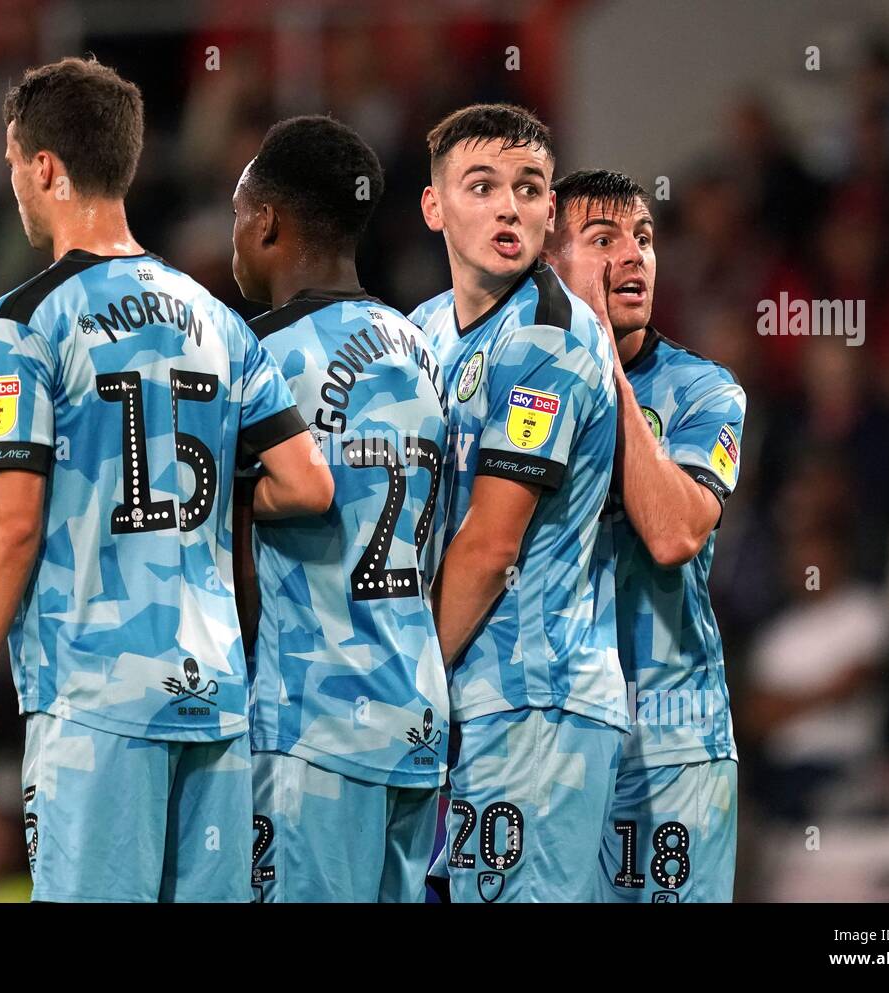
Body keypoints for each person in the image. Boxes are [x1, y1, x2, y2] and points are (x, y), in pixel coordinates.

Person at [0, 57, 332, 903]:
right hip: (217, 696)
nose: (12, 178)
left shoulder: (24, 319)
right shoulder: (221, 322)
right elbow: (308, 485)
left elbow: (11, 523)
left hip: (97, 698)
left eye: (14, 159)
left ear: (45, 166)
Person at [230, 115, 450, 902]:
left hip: (312, 726)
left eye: (237, 212)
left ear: (268, 222)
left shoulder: (256, 359)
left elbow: (233, 556)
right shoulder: (423, 348)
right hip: (416, 718)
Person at [408, 104, 624, 903]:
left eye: (529, 188)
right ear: (434, 207)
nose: (510, 205)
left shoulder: (551, 336)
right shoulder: (422, 330)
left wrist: (407, 674)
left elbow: (492, 544)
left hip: (536, 701)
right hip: (464, 701)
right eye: (483, 185)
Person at [542, 169, 746, 901]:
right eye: (603, 239)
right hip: (545, 742)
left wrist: (603, 370)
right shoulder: (514, 383)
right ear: (548, 261)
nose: (634, 257)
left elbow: (671, 533)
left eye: (645, 239)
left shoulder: (705, 391)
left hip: (669, 743)